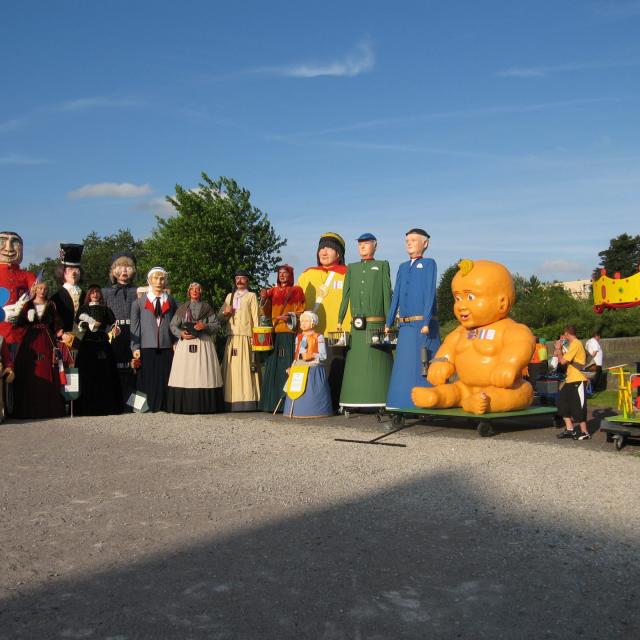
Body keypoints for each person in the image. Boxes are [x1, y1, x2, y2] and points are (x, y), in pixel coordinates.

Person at [411, 259, 535, 414]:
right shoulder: (460, 332)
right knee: (453, 390)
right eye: (457, 298)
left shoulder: (510, 329)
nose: (461, 305)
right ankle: (436, 397)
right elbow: (447, 348)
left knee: (518, 393)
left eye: (470, 297)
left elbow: (521, 344)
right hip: (465, 387)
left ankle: (483, 402)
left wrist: (509, 364)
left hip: (504, 388)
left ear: (502, 302)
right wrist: (440, 362)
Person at [385, 228, 441, 410]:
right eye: (407, 240)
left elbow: (430, 292)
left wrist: (426, 321)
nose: (409, 243)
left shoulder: (429, 264)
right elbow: (397, 295)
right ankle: (400, 402)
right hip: (405, 325)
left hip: (421, 324)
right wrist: (389, 320)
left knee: (422, 363)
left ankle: (426, 402)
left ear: (425, 244)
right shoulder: (402, 267)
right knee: (404, 366)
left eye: (414, 240)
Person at [338, 233, 393, 412]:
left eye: (366, 244)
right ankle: (353, 399)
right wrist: (340, 318)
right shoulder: (351, 268)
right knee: (356, 361)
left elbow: (386, 293)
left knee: (376, 359)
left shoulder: (382, 265)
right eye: (360, 244)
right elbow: (345, 295)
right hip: (357, 325)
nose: (362, 247)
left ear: (374, 246)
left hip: (376, 324)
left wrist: (389, 321)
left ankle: (380, 397)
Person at [297, 232, 351, 409]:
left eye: (329, 247)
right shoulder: (308, 274)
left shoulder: (348, 274)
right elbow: (298, 301)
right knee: (311, 367)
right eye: (321, 248)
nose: (324, 251)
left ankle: (336, 403)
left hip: (337, 331)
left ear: (339, 253)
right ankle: (312, 403)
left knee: (336, 368)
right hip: (312, 332)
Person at [12, 281, 67, 419]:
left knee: (48, 366)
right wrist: (26, 318)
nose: (43, 291)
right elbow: (19, 322)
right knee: (30, 368)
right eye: (40, 288)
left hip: (47, 338)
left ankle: (48, 408)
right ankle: (29, 408)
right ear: (35, 290)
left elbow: (56, 321)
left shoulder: (50, 305)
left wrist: (60, 330)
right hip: (31, 339)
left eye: (45, 289)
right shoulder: (28, 305)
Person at [167, 283, 223, 414]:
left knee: (202, 371)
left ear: (200, 292)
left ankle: (205, 406)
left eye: (197, 289)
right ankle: (184, 405)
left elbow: (216, 325)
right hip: (186, 343)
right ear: (189, 292)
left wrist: (205, 326)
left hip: (203, 343)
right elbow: (173, 325)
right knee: (186, 372)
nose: (195, 291)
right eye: (192, 289)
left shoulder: (207, 308)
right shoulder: (182, 308)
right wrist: (181, 334)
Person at [258, 265, 305, 412]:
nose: (282, 276)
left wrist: (289, 316)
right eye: (280, 273)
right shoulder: (272, 291)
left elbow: (301, 311)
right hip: (275, 332)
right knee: (273, 368)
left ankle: (287, 404)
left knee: (286, 367)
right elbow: (265, 312)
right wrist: (264, 298)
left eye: (285, 273)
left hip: (289, 333)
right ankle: (270, 403)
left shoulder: (297, 290)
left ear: (290, 275)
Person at [130, 267, 177, 412]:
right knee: (144, 377)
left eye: (162, 278)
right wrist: (135, 347)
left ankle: (165, 406)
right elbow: (134, 327)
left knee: (165, 377)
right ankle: (139, 407)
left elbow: (176, 323)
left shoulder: (171, 301)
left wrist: (175, 341)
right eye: (155, 278)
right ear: (149, 280)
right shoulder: (138, 303)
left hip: (166, 345)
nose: (159, 282)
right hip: (146, 346)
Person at [74, 285, 123, 416]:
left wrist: (115, 329)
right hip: (88, 344)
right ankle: (87, 406)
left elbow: (113, 324)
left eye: (97, 292)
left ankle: (106, 405)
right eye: (93, 293)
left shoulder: (106, 309)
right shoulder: (83, 309)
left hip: (102, 342)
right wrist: (88, 323)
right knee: (87, 372)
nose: (95, 295)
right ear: (89, 294)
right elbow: (78, 323)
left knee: (105, 372)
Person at [220, 270, 261, 411]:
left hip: (246, 336)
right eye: (237, 278)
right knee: (232, 369)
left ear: (247, 281)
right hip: (232, 336)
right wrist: (226, 313)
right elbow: (220, 317)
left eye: (242, 278)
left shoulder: (251, 296)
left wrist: (256, 338)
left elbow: (256, 318)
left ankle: (248, 400)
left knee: (246, 368)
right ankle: (229, 400)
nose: (239, 281)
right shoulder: (229, 296)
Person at [102, 252, 138, 406]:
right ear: (113, 271)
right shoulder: (105, 292)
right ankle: (115, 400)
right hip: (114, 332)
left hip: (134, 331)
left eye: (128, 267)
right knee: (114, 366)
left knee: (134, 365)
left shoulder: (139, 292)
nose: (124, 271)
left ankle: (133, 401)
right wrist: (108, 331)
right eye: (120, 267)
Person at [282, 311, 332, 418]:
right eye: (301, 321)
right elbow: (297, 354)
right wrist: (293, 365)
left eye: (306, 321)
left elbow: (323, 356)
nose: (303, 323)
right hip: (299, 367)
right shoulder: (298, 337)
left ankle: (313, 410)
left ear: (313, 322)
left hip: (312, 367)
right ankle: (295, 411)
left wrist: (312, 355)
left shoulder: (318, 337)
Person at [0, 230, 37, 350]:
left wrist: (32, 309)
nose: (9, 248)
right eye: (2, 242)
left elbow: (38, 297)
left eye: (15, 242)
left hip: (22, 334)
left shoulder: (28, 276)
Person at [555, 325, 590, 440]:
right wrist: (560, 351)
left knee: (578, 406)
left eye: (564, 334)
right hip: (570, 379)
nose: (563, 337)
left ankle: (585, 432)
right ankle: (570, 429)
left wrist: (559, 349)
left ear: (567, 334)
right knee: (562, 402)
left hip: (578, 379)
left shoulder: (576, 343)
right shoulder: (572, 345)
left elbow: (563, 361)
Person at [51, 244, 85, 340]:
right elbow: (51, 318)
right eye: (69, 270)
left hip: (84, 339)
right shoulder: (56, 297)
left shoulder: (86, 295)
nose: (73, 273)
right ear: (62, 272)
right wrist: (59, 333)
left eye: (76, 270)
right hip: (64, 339)